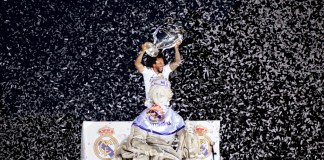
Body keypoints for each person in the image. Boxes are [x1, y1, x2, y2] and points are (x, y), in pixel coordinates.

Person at [135, 41, 182, 107]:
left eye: (162, 63)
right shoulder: (148, 72)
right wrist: (143, 51)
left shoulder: (166, 70)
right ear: (153, 65)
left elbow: (177, 62)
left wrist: (176, 48)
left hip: (165, 106)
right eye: (159, 63)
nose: (162, 65)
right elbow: (137, 64)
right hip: (152, 107)